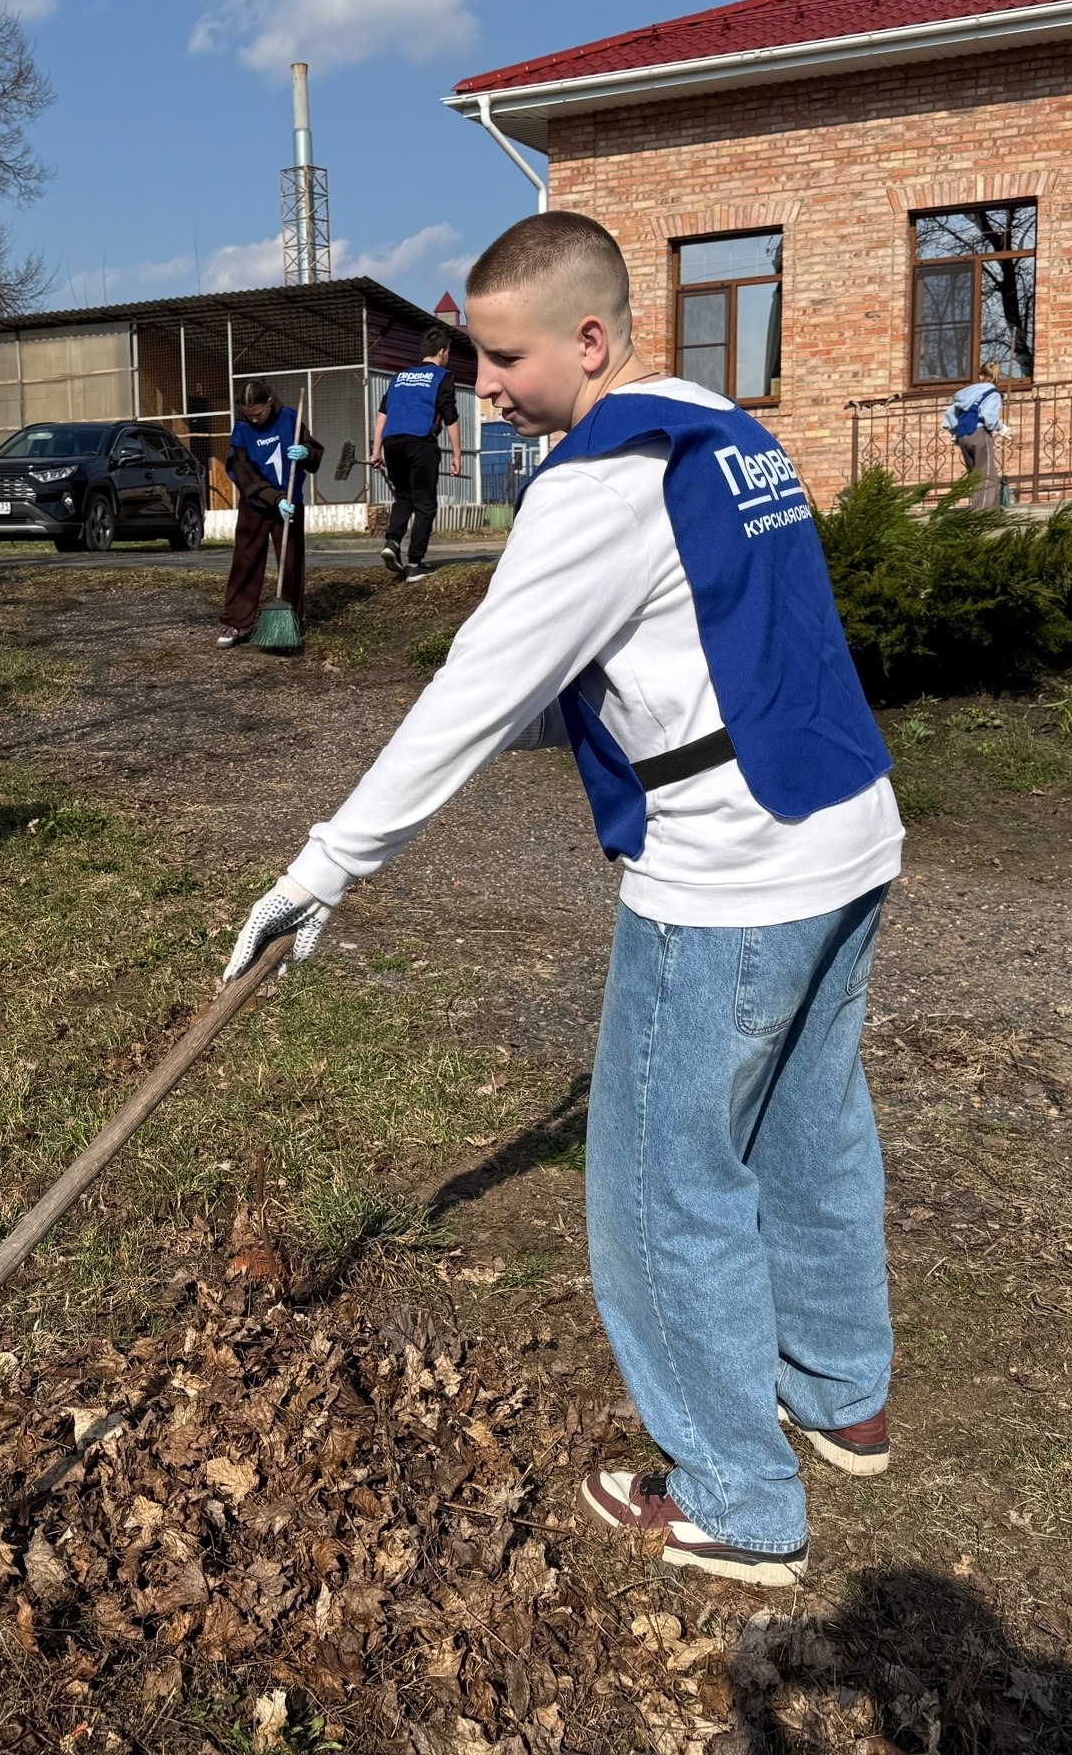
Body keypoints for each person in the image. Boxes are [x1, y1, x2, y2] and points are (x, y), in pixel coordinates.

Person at [224, 212, 903, 1588]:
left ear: (589, 341)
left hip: (727, 879)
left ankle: (736, 1497)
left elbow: (471, 693)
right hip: (847, 831)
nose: (484, 390)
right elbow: (683, 654)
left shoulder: (597, 487)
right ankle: (844, 1397)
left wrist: (326, 867)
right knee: (812, 1126)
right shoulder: (724, 434)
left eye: (502, 358)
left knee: (664, 1185)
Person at [217, 380, 317, 648]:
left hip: (290, 504)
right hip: (257, 504)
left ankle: (290, 621)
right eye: (249, 415)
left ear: (270, 403)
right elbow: (242, 473)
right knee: (245, 560)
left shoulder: (289, 418)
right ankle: (235, 621)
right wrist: (275, 498)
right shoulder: (241, 429)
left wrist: (306, 453)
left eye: (258, 413)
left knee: (291, 563)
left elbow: (314, 452)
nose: (255, 419)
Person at [371, 326, 462, 579]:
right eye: (448, 352)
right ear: (443, 352)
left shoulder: (398, 377)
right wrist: (457, 454)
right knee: (425, 504)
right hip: (421, 442)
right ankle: (415, 563)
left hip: (392, 442)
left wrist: (376, 451)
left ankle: (392, 542)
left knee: (404, 497)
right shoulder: (442, 376)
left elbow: (382, 416)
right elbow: (450, 416)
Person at [942, 363, 1009, 509]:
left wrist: (954, 432)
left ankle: (994, 510)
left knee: (975, 475)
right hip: (979, 433)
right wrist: (1001, 427)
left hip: (963, 435)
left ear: (980, 376)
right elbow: (989, 417)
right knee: (986, 474)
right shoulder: (993, 394)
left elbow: (949, 414)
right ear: (997, 377)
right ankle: (982, 513)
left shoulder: (966, 394)